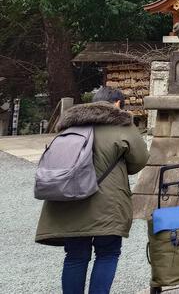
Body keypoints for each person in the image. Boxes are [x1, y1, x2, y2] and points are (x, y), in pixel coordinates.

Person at [36, 87, 149, 294]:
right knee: (107, 253)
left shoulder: (71, 124)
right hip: (107, 203)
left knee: (75, 256)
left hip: (68, 198)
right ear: (117, 104)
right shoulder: (122, 124)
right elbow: (139, 160)